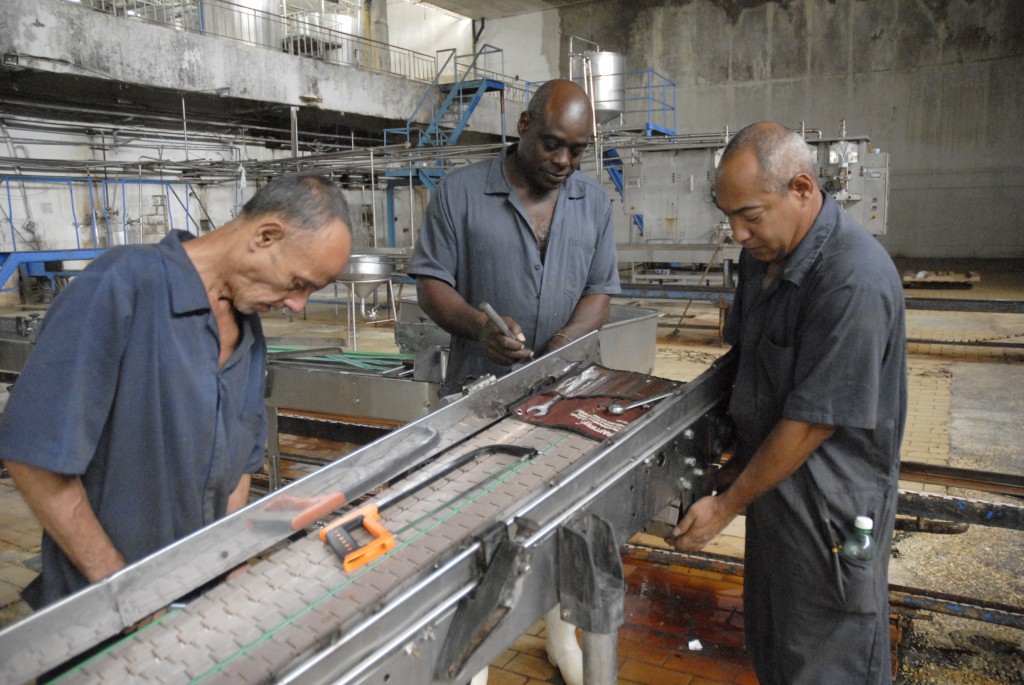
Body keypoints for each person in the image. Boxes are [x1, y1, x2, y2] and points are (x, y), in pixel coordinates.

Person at [1, 173, 353, 608]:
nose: (298, 305)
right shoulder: (124, 285)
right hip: (104, 608)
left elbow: (237, 467)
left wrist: (231, 568)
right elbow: (33, 456)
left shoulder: (246, 329)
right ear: (266, 235)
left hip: (194, 599)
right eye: (300, 283)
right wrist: (118, 586)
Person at [671, 122, 907, 684]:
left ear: (802, 189)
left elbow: (809, 424)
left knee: (829, 658)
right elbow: (748, 360)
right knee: (777, 646)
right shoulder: (764, 258)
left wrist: (726, 505)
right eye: (729, 217)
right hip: (776, 489)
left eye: (750, 216)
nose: (739, 234)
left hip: (831, 506)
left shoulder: (852, 282)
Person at [409, 78, 620, 396]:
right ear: (524, 124)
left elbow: (599, 292)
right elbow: (430, 286)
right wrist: (481, 328)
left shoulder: (595, 202)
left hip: (570, 388)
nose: (563, 161)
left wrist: (564, 342)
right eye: (551, 145)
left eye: (576, 151)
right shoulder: (459, 193)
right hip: (480, 392)